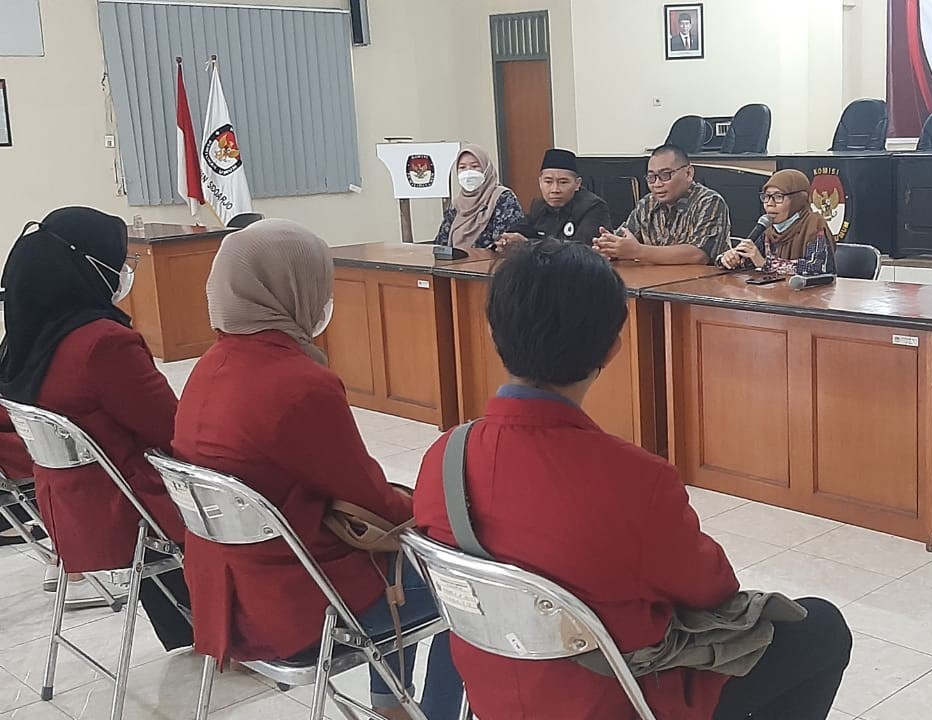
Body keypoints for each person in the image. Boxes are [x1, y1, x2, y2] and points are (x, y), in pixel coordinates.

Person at [414, 240, 852, 720]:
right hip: (617, 699)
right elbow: (714, 591)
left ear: (493, 333)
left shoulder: (445, 457)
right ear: (613, 347)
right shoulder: (635, 480)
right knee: (821, 628)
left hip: (494, 693)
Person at [172, 219, 461, 720]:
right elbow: (372, 500)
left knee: (401, 560)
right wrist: (433, 522)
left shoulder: (208, 366)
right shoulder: (298, 383)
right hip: (297, 607)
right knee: (461, 589)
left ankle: (392, 707)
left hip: (226, 597)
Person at [0, 207, 193, 645]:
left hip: (68, 507)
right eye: (119, 260)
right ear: (88, 266)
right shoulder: (103, 343)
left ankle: (193, 627)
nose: (124, 272)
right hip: (132, 508)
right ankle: (248, 635)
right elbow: (171, 429)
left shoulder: (26, 337)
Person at [594, 144, 730, 265]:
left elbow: (699, 255)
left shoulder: (709, 202)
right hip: (655, 280)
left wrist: (638, 251)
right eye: (651, 177)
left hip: (703, 282)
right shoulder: (646, 204)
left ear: (688, 173)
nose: (657, 184)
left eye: (665, 175)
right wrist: (609, 247)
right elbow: (625, 239)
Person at [716, 169, 836, 277]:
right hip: (773, 291)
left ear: (798, 200)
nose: (770, 204)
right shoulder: (768, 228)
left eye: (778, 197)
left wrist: (765, 264)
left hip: (808, 293)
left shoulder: (814, 225)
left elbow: (818, 267)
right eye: (766, 197)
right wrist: (728, 259)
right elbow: (749, 260)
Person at [499, 148, 611, 246]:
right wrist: (507, 240)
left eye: (563, 182)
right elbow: (518, 231)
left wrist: (527, 244)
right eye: (548, 182)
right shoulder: (538, 206)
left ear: (577, 184)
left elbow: (582, 250)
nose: (555, 190)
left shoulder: (593, 207)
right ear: (540, 182)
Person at [434, 144, 526, 251]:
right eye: (462, 167)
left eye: (475, 166)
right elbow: (441, 242)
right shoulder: (457, 204)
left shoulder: (503, 198)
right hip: (455, 261)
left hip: (491, 260)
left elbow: (506, 241)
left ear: (486, 169)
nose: (468, 172)